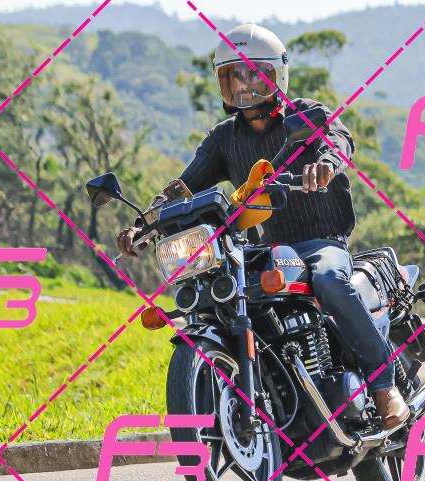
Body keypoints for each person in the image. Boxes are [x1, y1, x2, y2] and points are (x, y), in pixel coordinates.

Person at [117, 23, 409, 429]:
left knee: (329, 280)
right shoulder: (223, 139)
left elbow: (338, 141)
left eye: (253, 74)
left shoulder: (305, 114)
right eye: (233, 76)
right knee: (219, 300)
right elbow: (183, 186)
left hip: (320, 243)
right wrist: (143, 224)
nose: (243, 85)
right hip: (266, 251)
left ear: (277, 75)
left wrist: (326, 165)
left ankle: (383, 385)